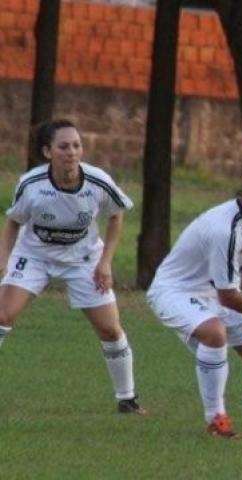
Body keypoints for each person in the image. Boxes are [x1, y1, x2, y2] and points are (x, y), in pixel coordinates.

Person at [147, 153, 242, 439]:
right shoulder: (225, 229)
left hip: (214, 292)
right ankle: (216, 420)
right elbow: (229, 297)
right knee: (214, 333)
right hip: (175, 290)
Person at [0, 119, 145, 414]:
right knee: (2, 315)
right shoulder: (31, 184)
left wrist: (105, 263)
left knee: (110, 330)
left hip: (84, 259)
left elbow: (117, 215)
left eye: (77, 145)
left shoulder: (97, 181)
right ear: (47, 152)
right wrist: (4, 258)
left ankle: (127, 400)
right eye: (63, 146)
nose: (72, 152)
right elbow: (14, 220)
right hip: (35, 256)